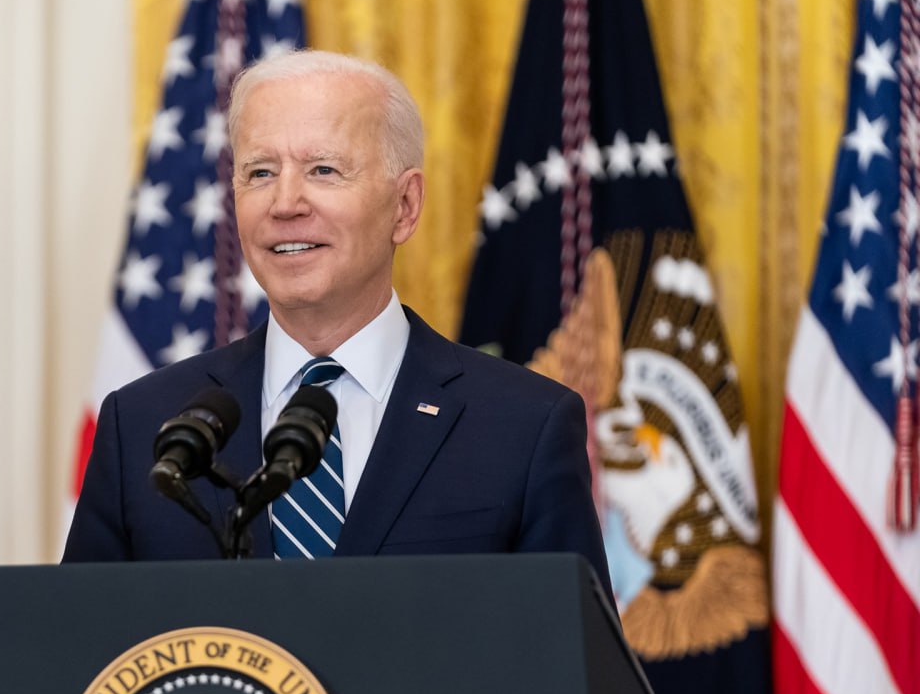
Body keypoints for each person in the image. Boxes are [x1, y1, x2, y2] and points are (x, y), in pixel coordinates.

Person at [64, 50, 611, 594]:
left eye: (323, 170)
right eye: (260, 172)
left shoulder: (525, 427)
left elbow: (572, 670)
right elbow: (80, 660)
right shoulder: (142, 428)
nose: (285, 203)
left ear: (405, 206)